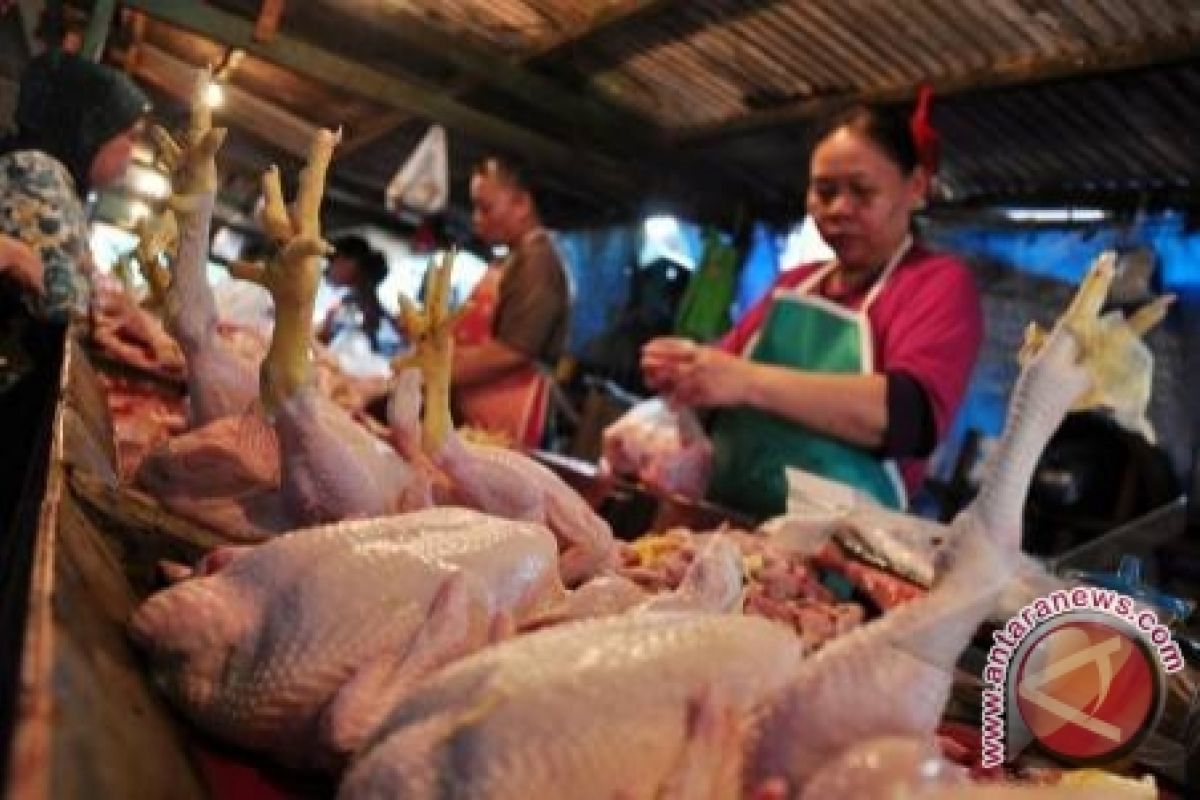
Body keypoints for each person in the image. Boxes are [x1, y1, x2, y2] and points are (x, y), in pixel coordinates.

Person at [642, 102, 983, 519]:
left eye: (861, 191)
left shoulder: (936, 283)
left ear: (914, 188)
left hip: (832, 556)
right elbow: (722, 376)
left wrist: (748, 382)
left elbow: (906, 419)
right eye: (824, 192)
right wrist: (685, 369)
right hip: (724, 520)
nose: (838, 208)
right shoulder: (794, 285)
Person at [0, 49, 149, 321]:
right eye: (130, 136)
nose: (133, 152)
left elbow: (80, 275)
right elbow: (62, 300)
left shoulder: (59, 183)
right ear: (92, 128)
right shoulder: (36, 172)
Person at [452, 156, 571, 448]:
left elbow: (515, 350)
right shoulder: (513, 258)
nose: (477, 218)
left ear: (521, 204)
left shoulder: (538, 261)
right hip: (477, 411)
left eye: (485, 207)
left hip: (506, 421)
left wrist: (437, 373)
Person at [317, 234, 400, 354]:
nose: (326, 269)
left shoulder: (378, 308)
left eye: (332, 260)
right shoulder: (347, 303)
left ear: (350, 262)